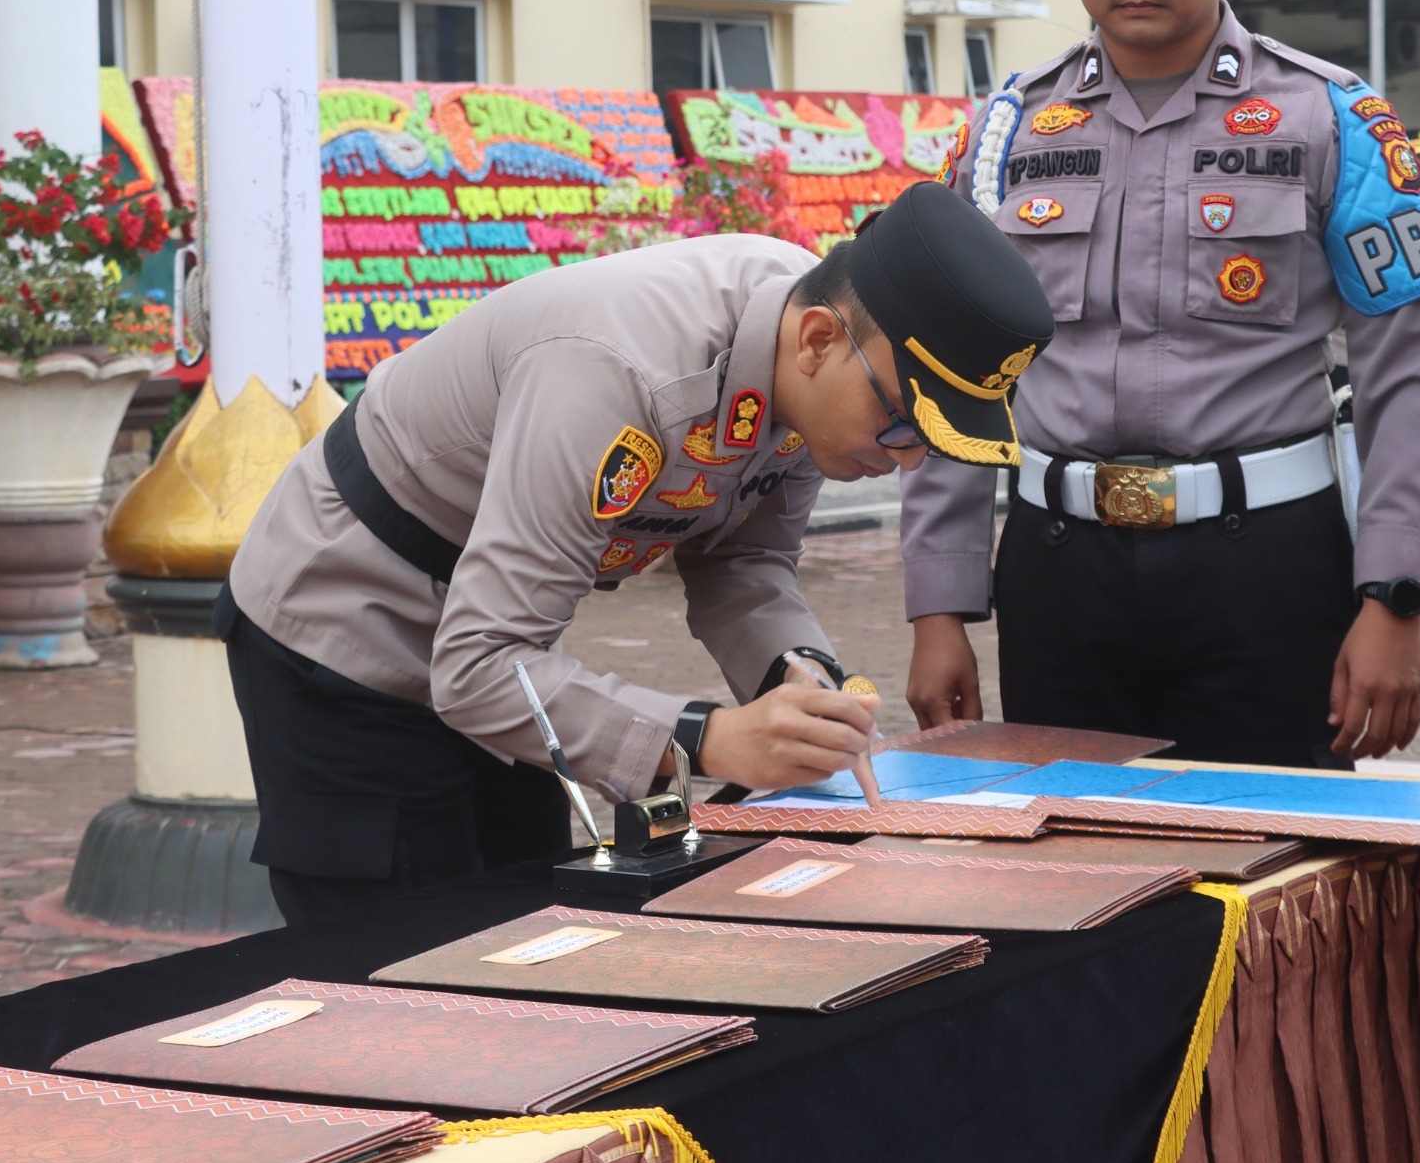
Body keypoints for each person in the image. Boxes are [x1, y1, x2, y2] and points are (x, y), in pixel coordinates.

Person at [222, 181, 1054, 922]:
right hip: (347, 619)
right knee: (406, 948)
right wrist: (707, 739)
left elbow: (743, 562)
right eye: (904, 425)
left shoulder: (820, 359)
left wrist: (800, 685)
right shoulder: (615, 372)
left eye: (933, 445)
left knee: (519, 913)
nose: (906, 459)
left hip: (498, 630)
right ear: (815, 340)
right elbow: (477, 667)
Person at [900, 0, 1420, 768]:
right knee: (1070, 880)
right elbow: (957, 373)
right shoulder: (1007, 131)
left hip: (1266, 571)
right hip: (1056, 567)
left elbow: (1411, 373)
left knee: (1264, 880)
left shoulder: (1332, 121)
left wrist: (1394, 596)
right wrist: (939, 601)